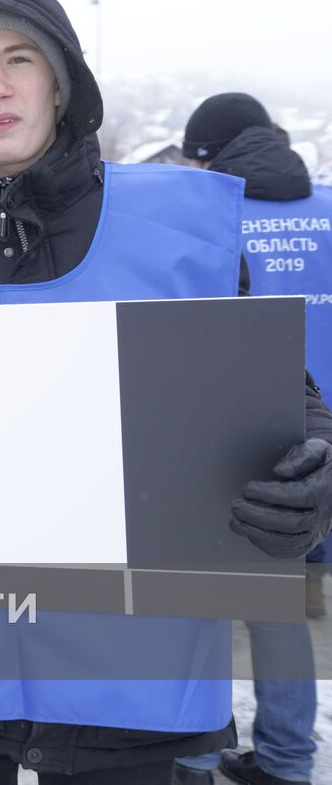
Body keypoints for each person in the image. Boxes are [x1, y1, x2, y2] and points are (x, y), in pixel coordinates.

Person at [0, 0, 332, 783]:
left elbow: (290, 404)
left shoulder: (190, 232)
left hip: (133, 679)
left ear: (62, 83)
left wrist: (312, 477)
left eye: (19, 60)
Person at [172, 92, 329, 785]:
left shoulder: (207, 213)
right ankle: (290, 760)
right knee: (282, 607)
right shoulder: (327, 206)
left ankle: (194, 758)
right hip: (320, 445)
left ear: (207, 155)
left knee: (203, 606)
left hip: (238, 435)